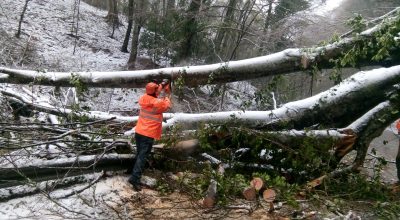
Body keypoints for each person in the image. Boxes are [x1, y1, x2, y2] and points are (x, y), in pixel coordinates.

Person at [128, 80, 171, 191]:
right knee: (142, 157)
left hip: (139, 131)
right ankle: (135, 179)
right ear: (154, 92)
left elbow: (154, 93)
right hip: (148, 134)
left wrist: (162, 85)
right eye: (157, 89)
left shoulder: (144, 98)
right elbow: (167, 105)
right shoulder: (158, 103)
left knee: (139, 154)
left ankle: (132, 174)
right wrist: (167, 94)